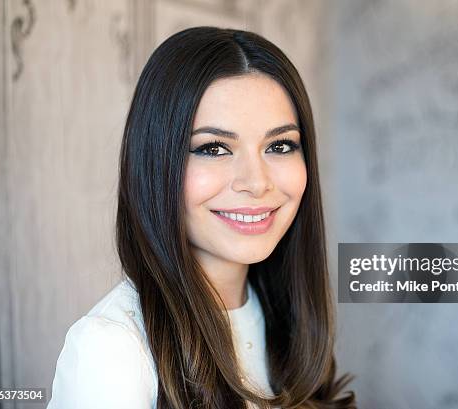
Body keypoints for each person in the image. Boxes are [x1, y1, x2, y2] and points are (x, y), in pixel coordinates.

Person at [47, 26, 356, 409]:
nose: (256, 183)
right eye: (213, 148)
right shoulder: (111, 349)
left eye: (279, 145)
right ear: (156, 163)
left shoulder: (290, 323)